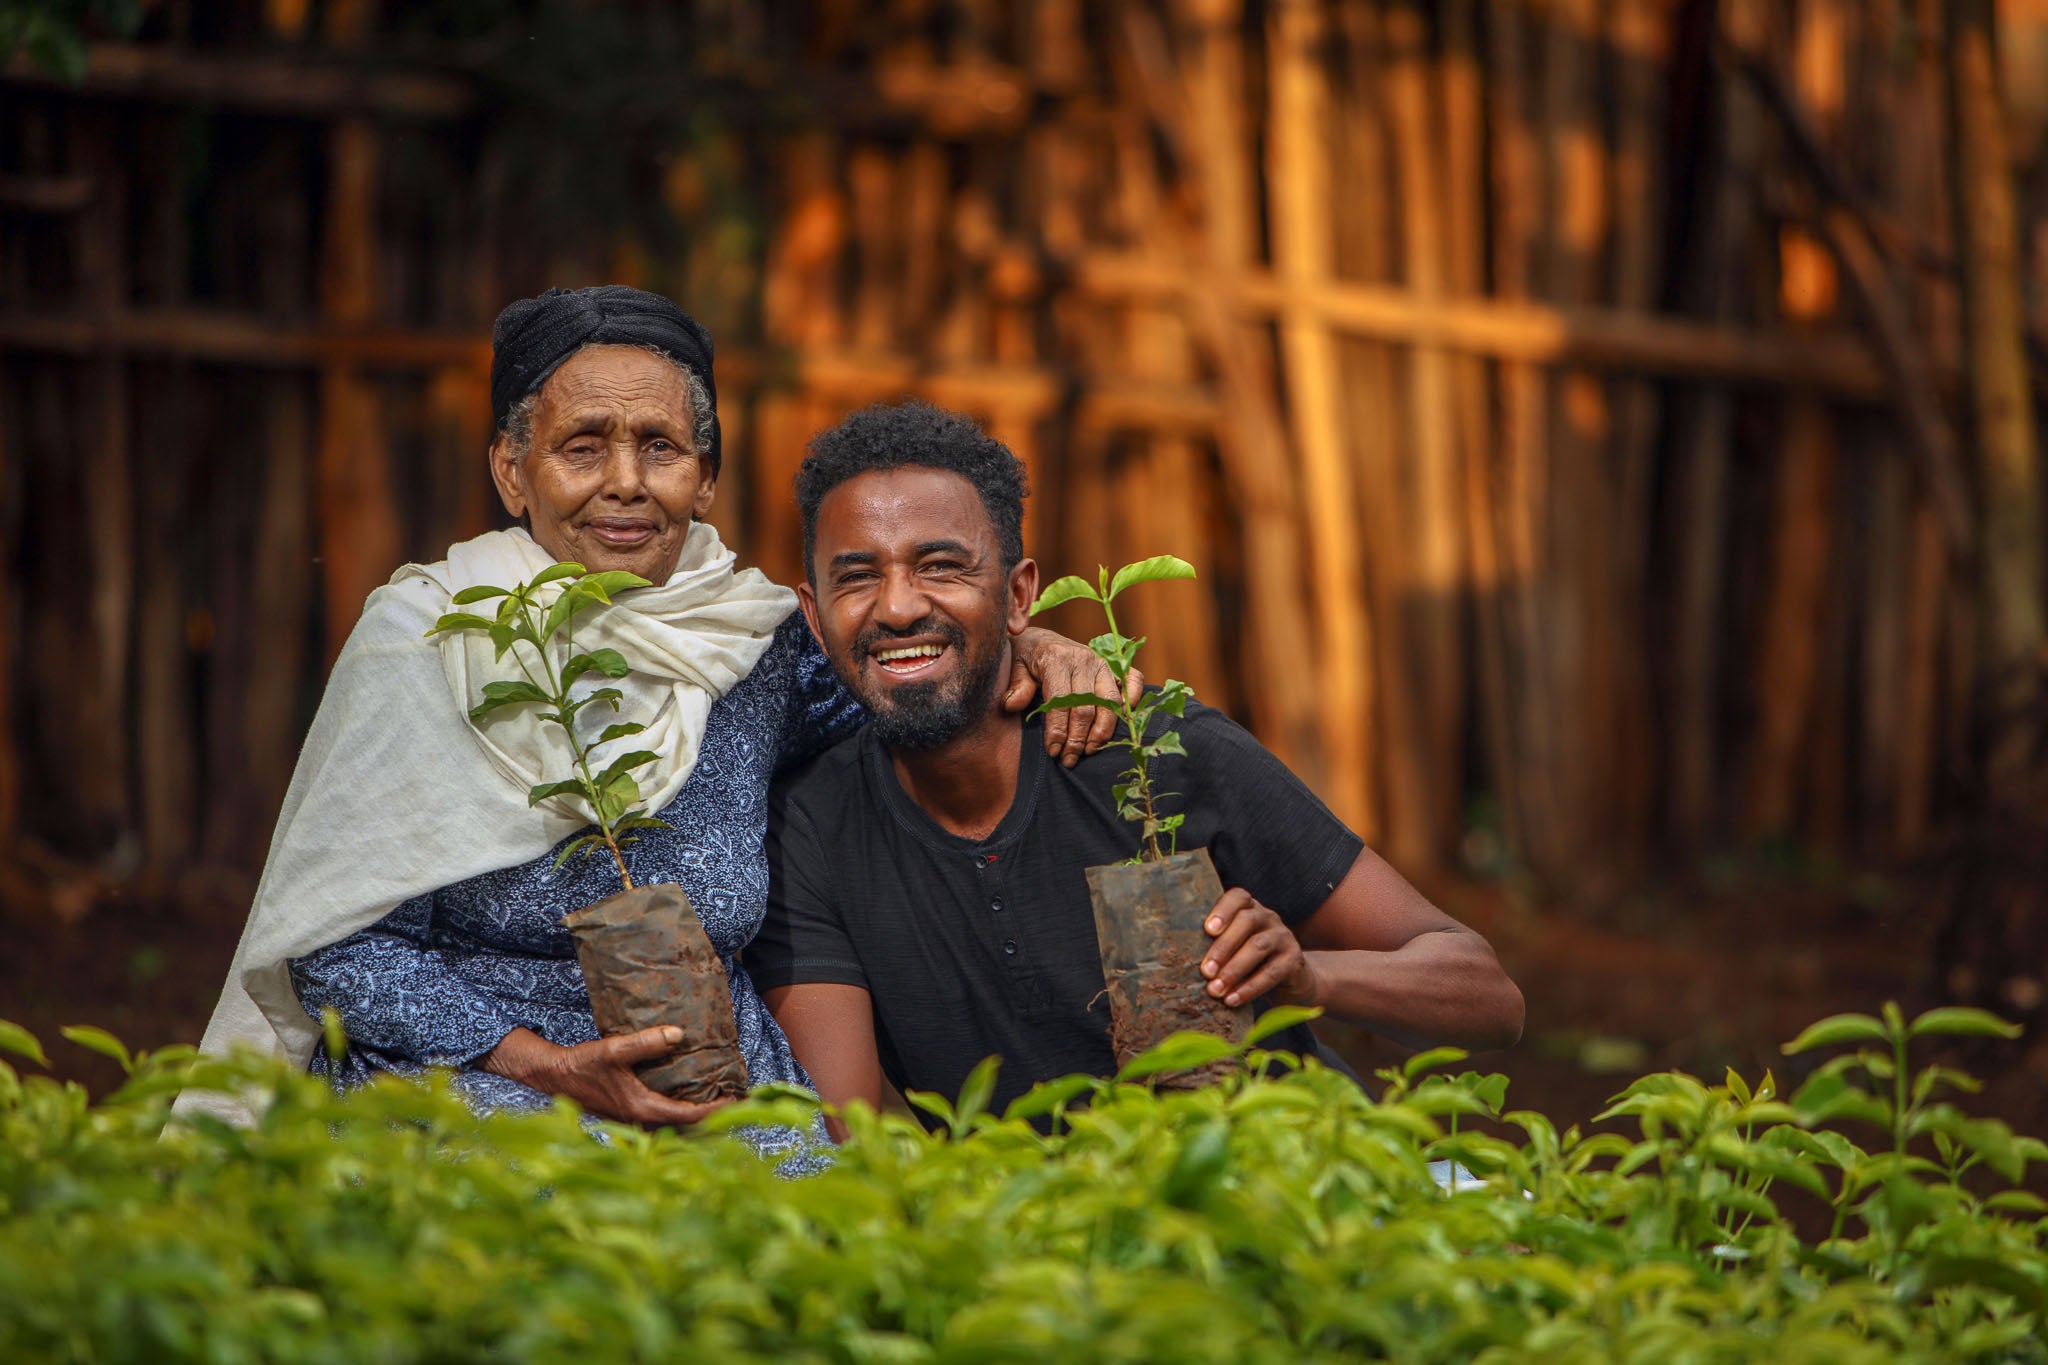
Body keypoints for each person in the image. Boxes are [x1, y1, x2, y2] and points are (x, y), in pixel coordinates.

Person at [183, 288, 1124, 1140]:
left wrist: (1031, 644)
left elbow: (911, 668)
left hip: (711, 1074)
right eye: (582, 446)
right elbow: (334, 945)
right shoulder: (429, 640)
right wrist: (547, 1065)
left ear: (704, 478)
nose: (626, 480)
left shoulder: (749, 646)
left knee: (820, 1258)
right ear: (513, 473)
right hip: (470, 1076)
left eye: (661, 448)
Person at [752, 401, 1525, 1123]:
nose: (896, 605)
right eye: (857, 576)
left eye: (942, 566)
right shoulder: (809, 830)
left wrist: (1311, 979)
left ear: (1020, 596)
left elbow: (1490, 995)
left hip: (1299, 1186)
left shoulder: (1159, 750)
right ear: (814, 618)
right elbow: (847, 1129)